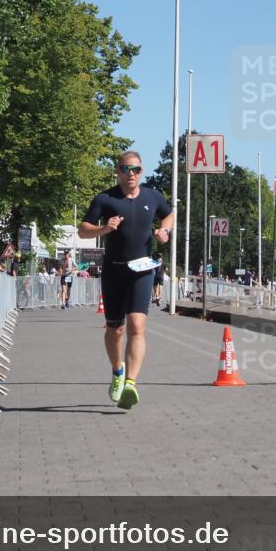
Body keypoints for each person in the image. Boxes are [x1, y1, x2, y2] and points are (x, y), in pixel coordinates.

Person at [79, 150, 173, 410]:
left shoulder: (153, 196)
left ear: (142, 172)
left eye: (136, 169)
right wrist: (104, 229)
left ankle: (130, 383)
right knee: (115, 328)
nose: (131, 174)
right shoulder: (105, 198)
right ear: (117, 171)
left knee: (137, 325)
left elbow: (168, 214)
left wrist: (164, 230)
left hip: (141, 270)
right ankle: (117, 371)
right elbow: (82, 230)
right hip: (114, 270)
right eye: (125, 169)